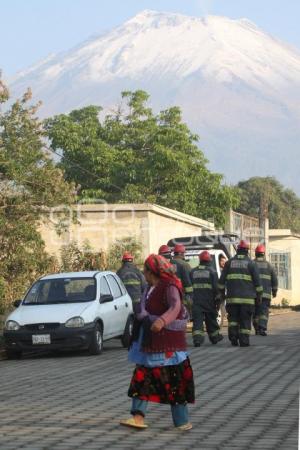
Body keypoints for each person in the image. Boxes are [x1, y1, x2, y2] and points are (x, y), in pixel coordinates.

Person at [120, 254, 195, 431]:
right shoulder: (149, 288)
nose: (143, 273)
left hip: (168, 344)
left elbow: (175, 307)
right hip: (150, 343)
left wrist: (161, 321)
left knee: (175, 382)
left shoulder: (169, 287)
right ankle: (137, 418)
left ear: (151, 271)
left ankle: (182, 421)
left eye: (144, 270)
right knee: (141, 379)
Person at [218, 240, 263, 347]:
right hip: (247, 300)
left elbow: (221, 282)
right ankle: (244, 341)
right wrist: (259, 295)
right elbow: (258, 283)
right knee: (245, 321)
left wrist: (222, 294)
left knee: (233, 320)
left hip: (232, 299)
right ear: (247, 251)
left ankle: (233, 337)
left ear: (237, 250)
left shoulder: (229, 263)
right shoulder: (251, 264)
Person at [190, 251, 223, 347]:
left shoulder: (193, 271)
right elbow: (216, 288)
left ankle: (197, 340)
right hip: (209, 301)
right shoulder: (212, 272)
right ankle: (214, 337)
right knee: (211, 320)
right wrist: (218, 300)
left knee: (197, 321)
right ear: (209, 261)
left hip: (196, 301)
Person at [253, 244, 278, 336]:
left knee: (255, 312)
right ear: (264, 254)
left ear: (256, 253)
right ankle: (262, 328)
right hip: (266, 294)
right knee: (263, 312)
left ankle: (256, 328)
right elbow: (274, 280)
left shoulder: (251, 264)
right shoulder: (269, 266)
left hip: (254, 294)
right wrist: (274, 291)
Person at [170, 244, 193, 317]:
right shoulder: (185, 265)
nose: (184, 255)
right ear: (180, 253)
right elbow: (188, 282)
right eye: (183, 253)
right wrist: (190, 295)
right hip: (182, 295)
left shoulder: (168, 263)